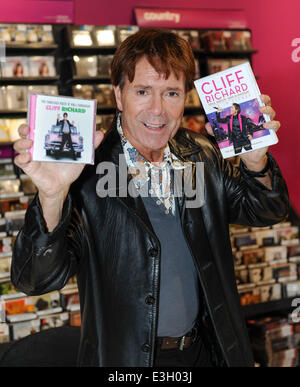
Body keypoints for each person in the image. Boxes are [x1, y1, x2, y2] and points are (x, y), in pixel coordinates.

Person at [12, 28, 289, 367]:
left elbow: (267, 210)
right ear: (119, 94)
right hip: (127, 361)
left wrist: (254, 159)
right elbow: (34, 280)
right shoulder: (83, 169)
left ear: (184, 97)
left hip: (205, 352)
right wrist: (52, 197)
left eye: (171, 93)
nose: (157, 110)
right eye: (143, 91)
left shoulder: (201, 153)